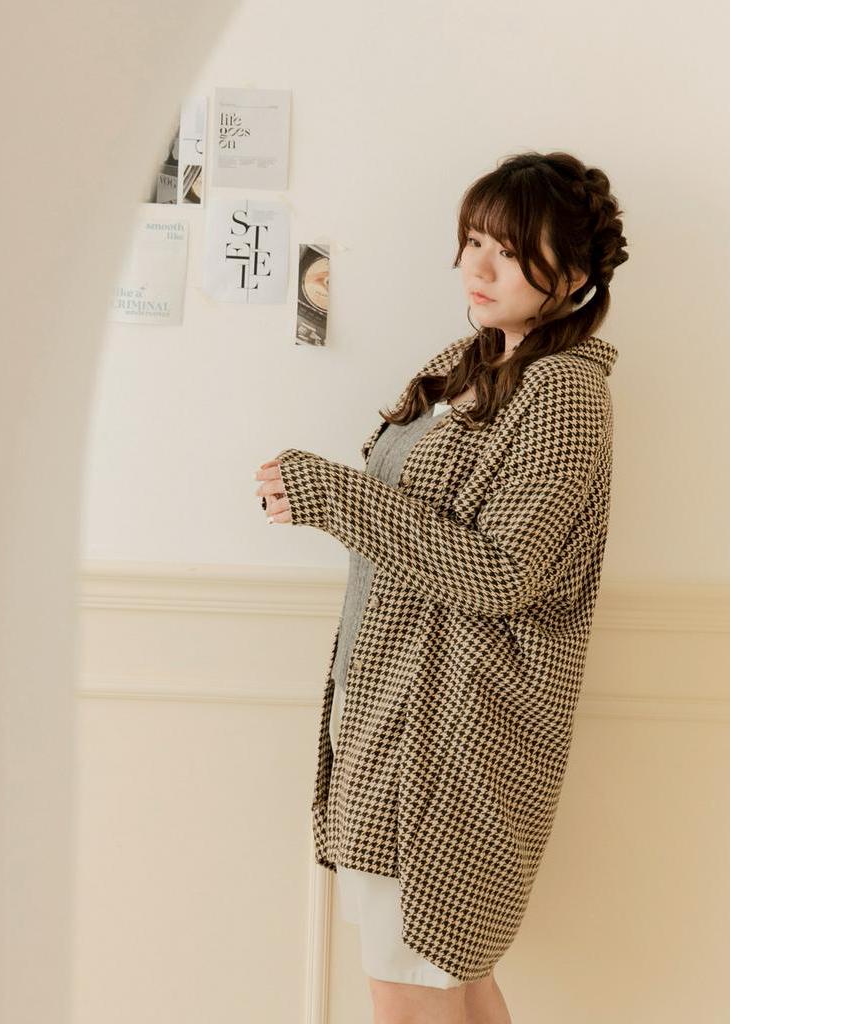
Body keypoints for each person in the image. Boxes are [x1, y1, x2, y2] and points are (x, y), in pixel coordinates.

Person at [254, 150, 628, 1024]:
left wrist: (332, 496)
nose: (478, 268)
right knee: (448, 988)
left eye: (511, 251)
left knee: (414, 993)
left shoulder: (564, 393)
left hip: (452, 737)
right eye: (473, 242)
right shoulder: (466, 365)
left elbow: (502, 571)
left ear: (574, 275)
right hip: (392, 711)